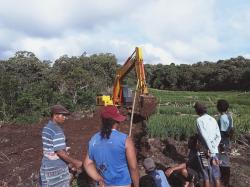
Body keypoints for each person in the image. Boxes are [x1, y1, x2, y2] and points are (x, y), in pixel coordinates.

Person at [83, 105, 139, 187]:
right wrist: (136, 185)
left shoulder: (94, 139)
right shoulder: (125, 139)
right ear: (117, 121)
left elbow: (87, 164)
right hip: (122, 184)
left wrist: (99, 178)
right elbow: (133, 167)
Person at [39, 104, 83, 187]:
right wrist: (75, 162)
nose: (65, 118)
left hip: (46, 167)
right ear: (55, 116)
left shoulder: (47, 128)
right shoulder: (57, 131)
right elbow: (60, 152)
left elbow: (51, 149)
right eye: (63, 115)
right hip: (56, 169)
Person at [194, 102, 221, 187]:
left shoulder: (199, 120)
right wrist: (214, 148)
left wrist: (211, 152)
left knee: (206, 177)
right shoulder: (213, 119)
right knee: (216, 176)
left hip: (204, 152)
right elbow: (218, 136)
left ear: (197, 111)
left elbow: (205, 137)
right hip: (215, 151)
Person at [217, 99, 233, 187]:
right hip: (227, 140)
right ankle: (224, 179)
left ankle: (225, 181)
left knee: (224, 159)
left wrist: (221, 143)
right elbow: (232, 130)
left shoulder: (222, 118)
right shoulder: (229, 116)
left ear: (218, 108)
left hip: (222, 141)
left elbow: (222, 132)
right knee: (224, 158)